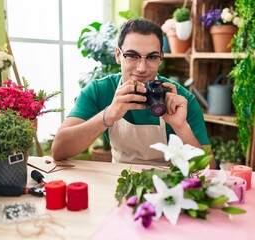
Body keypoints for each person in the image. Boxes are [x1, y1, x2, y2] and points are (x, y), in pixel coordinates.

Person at [52, 18, 211, 166]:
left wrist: (181, 126)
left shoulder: (180, 99)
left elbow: (208, 169)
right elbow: (59, 150)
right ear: (118, 56)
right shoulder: (99, 90)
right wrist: (108, 115)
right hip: (119, 181)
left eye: (152, 57)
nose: (142, 68)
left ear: (161, 58)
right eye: (132, 56)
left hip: (169, 186)